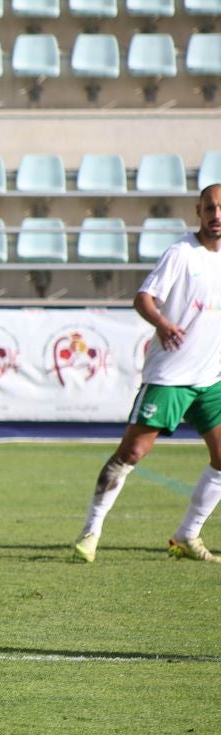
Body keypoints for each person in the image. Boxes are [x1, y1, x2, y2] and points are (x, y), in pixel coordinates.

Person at [71, 184, 221, 565]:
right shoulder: (181, 254)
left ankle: (187, 535)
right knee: (132, 452)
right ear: (198, 212)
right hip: (169, 376)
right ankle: (91, 531)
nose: (216, 215)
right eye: (210, 208)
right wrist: (164, 324)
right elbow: (143, 298)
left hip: (210, 380)